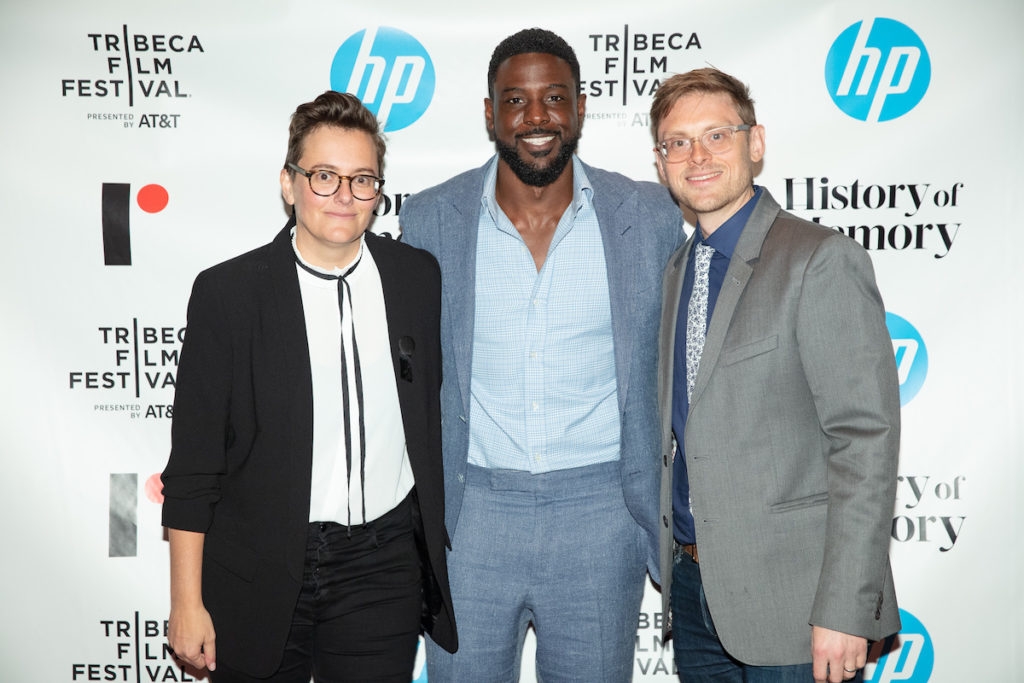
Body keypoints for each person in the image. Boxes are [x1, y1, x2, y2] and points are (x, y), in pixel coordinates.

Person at [400, 27, 683, 683]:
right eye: (516, 100)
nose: (536, 117)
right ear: (491, 113)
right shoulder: (430, 219)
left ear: (580, 108)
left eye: (554, 97)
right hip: (470, 519)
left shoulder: (649, 215)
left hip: (601, 514)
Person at [160, 90, 456, 682]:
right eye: (324, 176)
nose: (345, 196)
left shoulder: (415, 278)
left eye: (362, 179)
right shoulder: (229, 295)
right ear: (288, 184)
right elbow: (194, 468)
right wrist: (186, 604)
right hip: (258, 565)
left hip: (381, 568)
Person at [650, 68, 901, 683]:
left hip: (800, 606)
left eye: (716, 135)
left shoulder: (817, 259)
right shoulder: (677, 270)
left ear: (755, 143)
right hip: (694, 592)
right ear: (661, 163)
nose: (697, 156)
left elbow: (863, 438)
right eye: (676, 142)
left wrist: (846, 608)